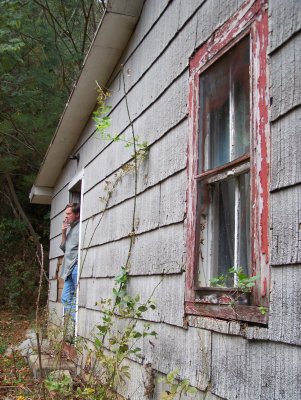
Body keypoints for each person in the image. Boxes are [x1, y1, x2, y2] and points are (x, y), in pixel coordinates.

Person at [60, 202, 80, 327]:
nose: (65, 216)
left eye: (68, 213)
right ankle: (78, 325)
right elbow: (64, 248)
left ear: (77, 214)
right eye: (65, 214)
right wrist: (63, 232)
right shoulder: (71, 228)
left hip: (75, 267)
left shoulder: (80, 227)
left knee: (75, 299)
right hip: (68, 269)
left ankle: (79, 326)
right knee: (65, 298)